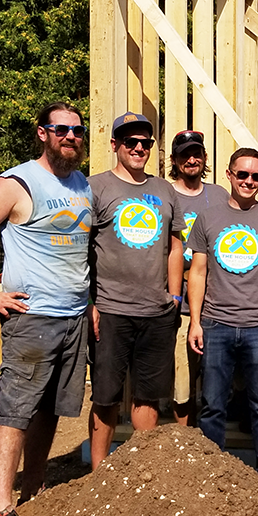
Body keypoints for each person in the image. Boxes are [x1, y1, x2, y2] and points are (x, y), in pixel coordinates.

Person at [0, 101, 91, 516]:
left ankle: (33, 489)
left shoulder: (82, 186)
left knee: (51, 410)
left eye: (76, 130)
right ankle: (1, 510)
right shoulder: (18, 182)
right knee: (16, 412)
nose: (70, 137)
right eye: (61, 130)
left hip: (73, 318)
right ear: (42, 133)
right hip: (32, 319)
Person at [187, 147, 258, 481]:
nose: (249, 181)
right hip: (215, 324)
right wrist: (194, 321)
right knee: (212, 405)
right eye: (243, 174)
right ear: (229, 175)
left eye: (256, 176)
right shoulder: (209, 218)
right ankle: (211, 475)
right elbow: (198, 272)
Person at [88, 112, 185, 470]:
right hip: (111, 309)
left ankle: (141, 474)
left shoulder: (164, 191)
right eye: (131, 142)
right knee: (106, 395)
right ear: (115, 145)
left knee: (148, 395)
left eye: (146, 143)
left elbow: (176, 245)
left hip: (156, 311)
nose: (139, 148)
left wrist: (174, 296)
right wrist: (90, 303)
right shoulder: (95, 188)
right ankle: (99, 471)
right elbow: (81, 249)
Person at [168, 129, 228, 427]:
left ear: (205, 158)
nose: (191, 159)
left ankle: (211, 442)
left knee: (217, 379)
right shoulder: (165, 195)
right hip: (180, 307)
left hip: (217, 304)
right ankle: (184, 441)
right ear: (174, 161)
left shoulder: (219, 195)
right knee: (182, 381)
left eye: (196, 154)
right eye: (184, 155)